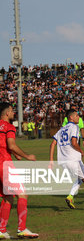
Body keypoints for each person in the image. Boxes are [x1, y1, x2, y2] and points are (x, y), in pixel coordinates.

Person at [0, 102, 39, 239]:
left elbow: (4, 145)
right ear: (6, 113)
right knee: (22, 194)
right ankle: (22, 229)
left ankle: (1, 230)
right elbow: (11, 144)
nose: (13, 113)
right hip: (5, 165)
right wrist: (27, 155)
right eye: (11, 110)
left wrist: (14, 154)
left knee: (8, 197)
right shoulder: (9, 127)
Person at [49, 109, 84, 211]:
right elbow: (74, 142)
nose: (78, 117)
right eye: (76, 116)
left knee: (79, 179)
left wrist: (51, 160)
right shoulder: (74, 127)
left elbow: (53, 144)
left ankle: (70, 197)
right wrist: (81, 151)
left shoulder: (61, 130)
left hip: (63, 161)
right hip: (73, 159)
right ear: (71, 118)